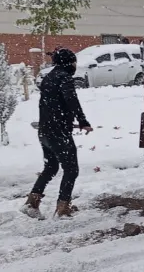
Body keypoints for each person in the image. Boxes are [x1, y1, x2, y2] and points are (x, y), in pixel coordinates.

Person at [23, 48, 92, 219]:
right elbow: (71, 100)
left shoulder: (49, 77)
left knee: (51, 167)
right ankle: (63, 208)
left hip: (45, 131)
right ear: (68, 63)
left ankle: (32, 203)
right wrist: (82, 120)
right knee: (71, 169)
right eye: (74, 62)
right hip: (59, 132)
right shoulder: (64, 78)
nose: (75, 65)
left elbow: (51, 104)